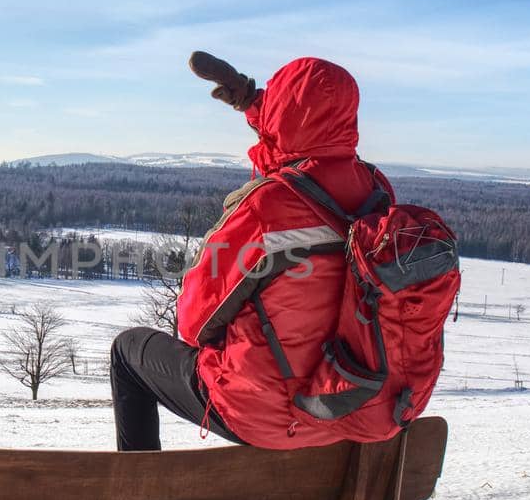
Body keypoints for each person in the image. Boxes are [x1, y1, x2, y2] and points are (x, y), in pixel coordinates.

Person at [109, 52, 394, 451]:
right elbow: (315, 139)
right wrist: (251, 100)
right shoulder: (376, 194)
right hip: (354, 403)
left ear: (282, 114)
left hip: (273, 417)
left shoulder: (268, 208)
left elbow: (194, 323)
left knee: (127, 351)